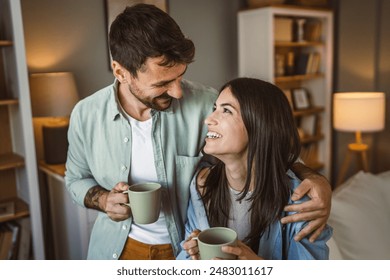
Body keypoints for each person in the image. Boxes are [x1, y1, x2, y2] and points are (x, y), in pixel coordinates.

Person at [65, 4, 332, 260]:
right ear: (121, 72)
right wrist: (102, 200)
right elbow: (76, 179)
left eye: (180, 77)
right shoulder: (85, 115)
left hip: (182, 245)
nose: (178, 92)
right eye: (163, 83)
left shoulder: (207, 103)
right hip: (116, 250)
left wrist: (317, 181)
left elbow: (265, 142)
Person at [179, 78, 332, 260]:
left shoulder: (301, 204)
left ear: (259, 125)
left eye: (226, 110)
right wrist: (193, 256)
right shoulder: (202, 186)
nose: (208, 120)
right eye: (215, 109)